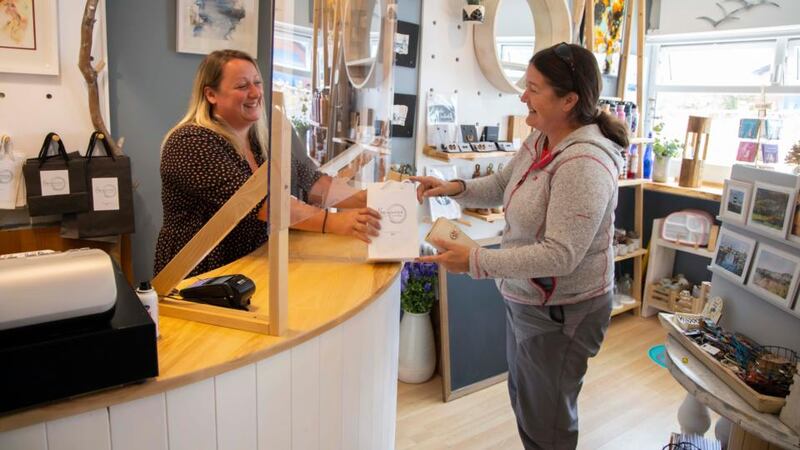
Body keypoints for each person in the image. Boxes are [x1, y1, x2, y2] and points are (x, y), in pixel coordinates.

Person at [412, 42, 629, 449]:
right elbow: (499, 185)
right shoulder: (539, 139)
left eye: (533, 88)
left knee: (546, 423)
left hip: (562, 311)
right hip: (529, 299)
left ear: (569, 100)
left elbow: (560, 255)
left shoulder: (585, 163)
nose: (522, 96)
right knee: (528, 403)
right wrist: (453, 187)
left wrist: (476, 260)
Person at [154, 49, 381, 277]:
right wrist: (334, 222)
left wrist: (372, 198)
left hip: (248, 266)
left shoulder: (258, 140)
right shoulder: (191, 142)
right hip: (198, 278)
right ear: (211, 95)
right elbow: (260, 204)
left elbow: (313, 183)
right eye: (242, 86)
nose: (255, 93)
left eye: (257, 83)